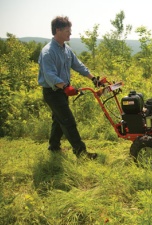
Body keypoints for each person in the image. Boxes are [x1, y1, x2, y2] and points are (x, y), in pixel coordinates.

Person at [38, 16, 103, 159]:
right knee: (68, 121)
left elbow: (78, 65)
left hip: (62, 91)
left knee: (59, 119)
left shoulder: (66, 49)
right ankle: (81, 153)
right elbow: (49, 75)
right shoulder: (48, 52)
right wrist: (65, 86)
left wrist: (93, 79)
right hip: (52, 91)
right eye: (67, 30)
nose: (70, 33)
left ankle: (54, 147)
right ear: (58, 30)